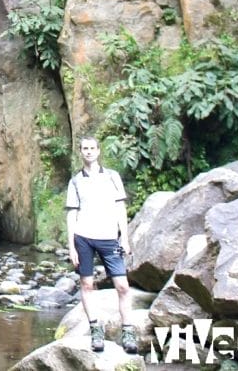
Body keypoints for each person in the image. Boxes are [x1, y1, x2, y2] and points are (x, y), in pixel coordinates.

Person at [65, 136, 137, 354]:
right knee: (87, 285)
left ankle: (128, 332)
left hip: (108, 238)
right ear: (81, 152)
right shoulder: (76, 180)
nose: (88, 152)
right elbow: (71, 213)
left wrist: (124, 237)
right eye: (84, 149)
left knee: (122, 286)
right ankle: (95, 331)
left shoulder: (112, 177)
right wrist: (71, 246)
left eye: (92, 148)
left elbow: (120, 209)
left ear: (98, 151)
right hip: (83, 237)